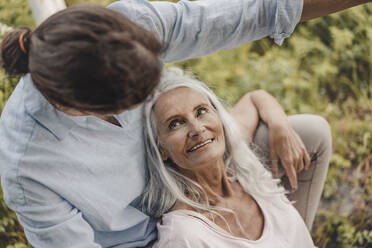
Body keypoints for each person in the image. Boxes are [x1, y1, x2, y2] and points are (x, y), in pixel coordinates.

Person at [0, 0, 368, 247]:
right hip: (163, 239)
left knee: (308, 132)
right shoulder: (29, 167)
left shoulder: (127, 26)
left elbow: (252, 10)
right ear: (82, 108)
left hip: (192, 173)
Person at [142, 67, 331, 247]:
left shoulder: (243, 161)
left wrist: (279, 125)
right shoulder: (184, 236)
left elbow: (254, 98)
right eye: (175, 124)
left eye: (201, 111)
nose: (197, 129)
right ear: (161, 149)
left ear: (220, 118)